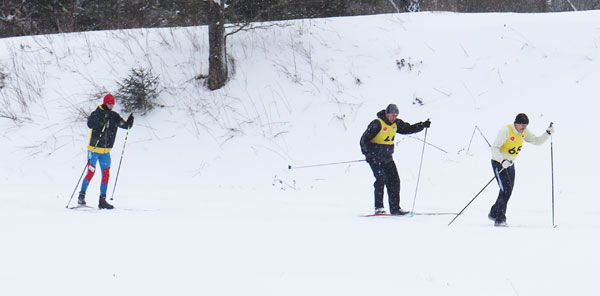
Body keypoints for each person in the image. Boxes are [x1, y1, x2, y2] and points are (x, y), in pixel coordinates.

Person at [360, 104, 430, 215]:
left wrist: (422, 125)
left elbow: (408, 128)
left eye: (396, 115)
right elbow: (364, 139)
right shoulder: (377, 124)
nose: (394, 117)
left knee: (394, 181)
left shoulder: (396, 124)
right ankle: (379, 208)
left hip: (387, 159)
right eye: (392, 115)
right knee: (381, 179)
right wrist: (368, 154)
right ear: (387, 114)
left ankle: (395, 208)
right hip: (375, 159)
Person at [488, 113, 554, 226]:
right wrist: (502, 160)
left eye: (526, 125)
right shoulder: (506, 130)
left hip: (510, 164)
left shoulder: (524, 132)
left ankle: (494, 212)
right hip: (499, 163)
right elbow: (494, 148)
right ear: (516, 123)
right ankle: (499, 218)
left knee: (508, 190)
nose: (524, 128)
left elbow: (537, 141)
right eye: (522, 125)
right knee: (506, 190)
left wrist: (547, 133)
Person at [77, 94, 134, 209]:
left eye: (112, 103)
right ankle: (81, 196)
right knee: (90, 173)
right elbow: (89, 124)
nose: (111, 105)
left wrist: (129, 122)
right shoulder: (97, 113)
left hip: (105, 152)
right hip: (94, 150)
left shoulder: (114, 116)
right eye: (109, 103)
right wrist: (100, 121)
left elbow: (124, 125)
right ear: (105, 103)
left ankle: (102, 200)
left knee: (106, 174)